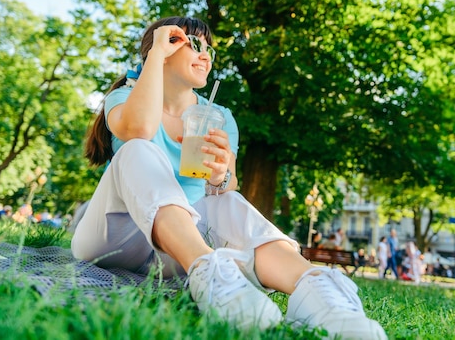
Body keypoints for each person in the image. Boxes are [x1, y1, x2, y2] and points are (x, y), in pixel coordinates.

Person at [70, 17, 385, 339]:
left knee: (227, 199)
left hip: (176, 250)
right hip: (113, 239)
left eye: (209, 49)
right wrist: (153, 57)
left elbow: (228, 182)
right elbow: (137, 130)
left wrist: (220, 175)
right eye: (194, 44)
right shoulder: (125, 96)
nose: (205, 55)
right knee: (137, 150)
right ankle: (208, 268)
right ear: (162, 49)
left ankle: (317, 293)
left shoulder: (218, 116)